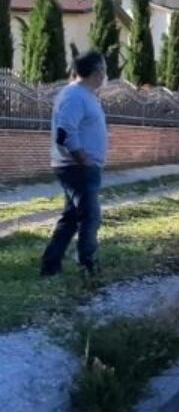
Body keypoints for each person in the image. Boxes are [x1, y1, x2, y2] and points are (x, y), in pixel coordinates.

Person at [40, 51, 109, 278]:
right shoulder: (74, 95)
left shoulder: (87, 95)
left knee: (70, 219)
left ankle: (51, 265)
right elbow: (65, 132)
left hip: (83, 167)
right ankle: (87, 265)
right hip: (76, 167)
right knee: (90, 216)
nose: (105, 74)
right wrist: (83, 158)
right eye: (103, 69)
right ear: (95, 71)